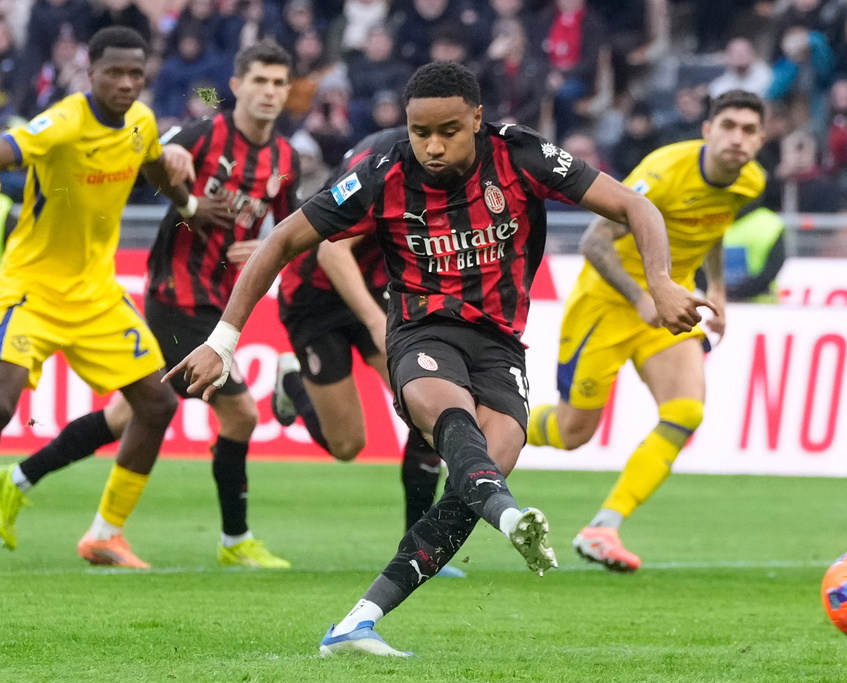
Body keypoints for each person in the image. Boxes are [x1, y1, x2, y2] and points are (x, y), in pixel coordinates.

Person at [166, 61, 710, 656]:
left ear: (477, 119)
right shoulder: (381, 174)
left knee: (486, 464)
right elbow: (283, 240)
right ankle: (509, 518)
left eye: (448, 130)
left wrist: (659, 280)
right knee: (447, 418)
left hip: (500, 343)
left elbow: (637, 206)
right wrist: (223, 341)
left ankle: (357, 621)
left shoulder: (521, 155)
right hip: (422, 334)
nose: (431, 145)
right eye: (419, 130)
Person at [1, 39, 301, 569]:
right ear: (236, 86)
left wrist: (251, 237)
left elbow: (286, 226)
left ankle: (33, 488)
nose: (270, 93)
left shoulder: (282, 158)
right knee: (239, 415)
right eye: (260, 81)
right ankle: (234, 540)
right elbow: (151, 155)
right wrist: (175, 158)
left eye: (280, 83)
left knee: (137, 410)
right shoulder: (198, 128)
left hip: (141, 298)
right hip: (159, 297)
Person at [527, 89, 766, 573]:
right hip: (609, 305)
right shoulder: (662, 174)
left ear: (761, 140)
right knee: (573, 433)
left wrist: (716, 287)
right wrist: (640, 297)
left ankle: (603, 528)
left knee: (685, 410)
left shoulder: (750, 182)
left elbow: (715, 225)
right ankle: (492, 427)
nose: (737, 138)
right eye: (729, 126)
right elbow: (595, 242)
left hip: (669, 306)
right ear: (707, 130)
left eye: (749, 130)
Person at [0, 27, 195, 567]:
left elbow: (153, 161)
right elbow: (9, 149)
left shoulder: (142, 120)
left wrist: (191, 207)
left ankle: (105, 535)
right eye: (115, 73)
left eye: (136, 74)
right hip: (30, 289)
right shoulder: (63, 122)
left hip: (95, 295)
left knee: (156, 403)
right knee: (1, 404)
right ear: (91, 73)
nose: (127, 84)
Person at [272, 125, 465, 577]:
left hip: (379, 289)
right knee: (347, 444)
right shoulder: (382, 162)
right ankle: (291, 383)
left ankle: (419, 545)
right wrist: (378, 322)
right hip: (313, 298)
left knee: (427, 408)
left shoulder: (448, 161)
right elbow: (331, 254)